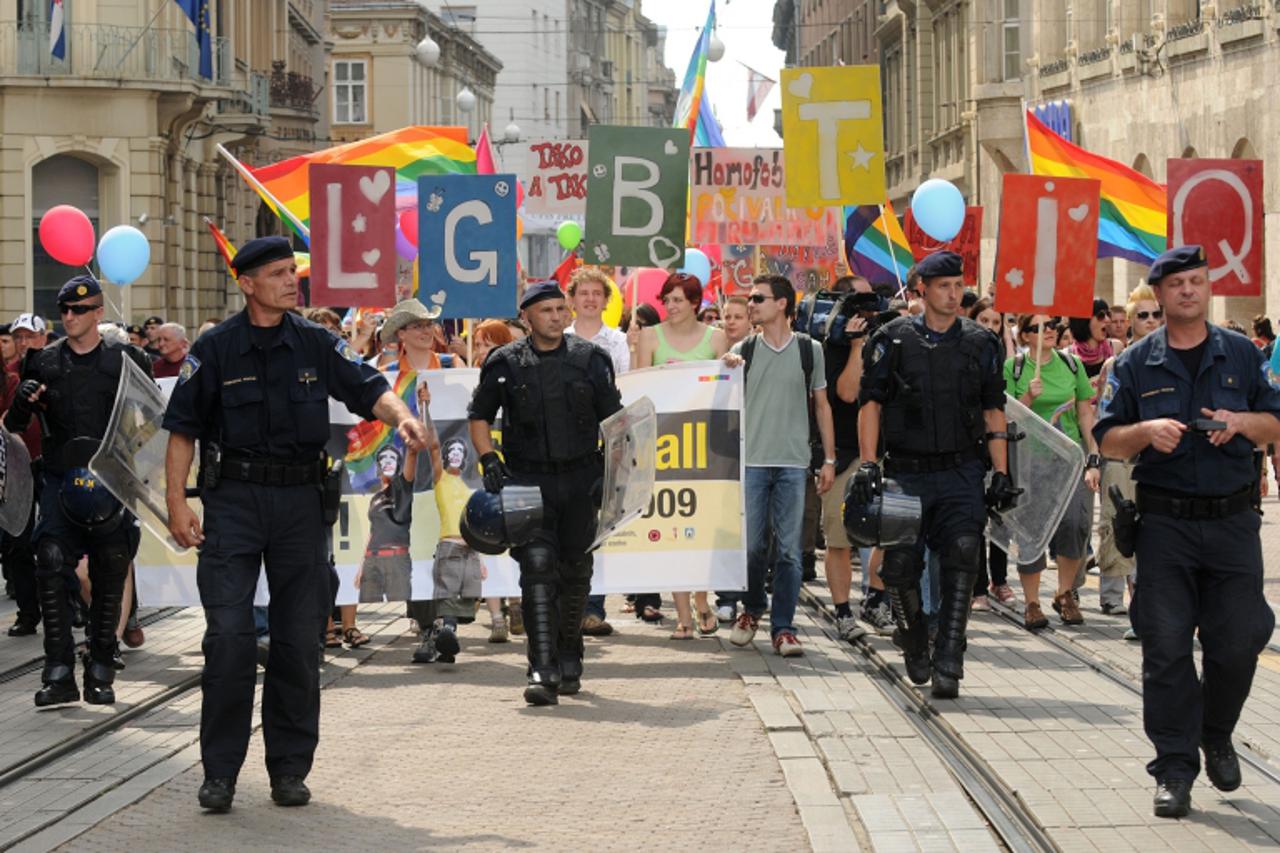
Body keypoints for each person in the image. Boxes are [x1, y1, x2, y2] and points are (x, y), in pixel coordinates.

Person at [162, 236, 429, 812]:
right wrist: (177, 504)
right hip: (232, 502)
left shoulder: (315, 342)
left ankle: (288, 769)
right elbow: (182, 429)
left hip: (299, 506)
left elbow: (370, 387)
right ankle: (221, 774)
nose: (292, 281)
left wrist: (404, 418)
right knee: (230, 639)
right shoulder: (215, 349)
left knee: (297, 640)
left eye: (293, 272)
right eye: (280, 273)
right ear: (247, 283)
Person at [1095, 245, 1280, 818]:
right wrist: (1146, 431)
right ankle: (1174, 770)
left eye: (1198, 281)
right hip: (1165, 526)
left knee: (1241, 638)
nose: (1188, 292)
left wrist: (1242, 424)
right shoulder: (1134, 363)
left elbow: (1274, 421)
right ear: (1159, 294)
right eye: (1177, 285)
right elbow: (1106, 439)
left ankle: (1215, 732)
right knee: (1167, 650)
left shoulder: (1243, 356)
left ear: (1207, 287)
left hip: (1231, 523)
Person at [851, 251, 1012, 698]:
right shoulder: (892, 339)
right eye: (944, 286)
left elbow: (993, 408)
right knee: (899, 566)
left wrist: (1000, 470)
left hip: (962, 470)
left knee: (963, 553)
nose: (954, 294)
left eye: (959, 285)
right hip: (906, 471)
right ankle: (914, 633)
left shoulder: (981, 343)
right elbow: (871, 403)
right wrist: (868, 463)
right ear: (922, 288)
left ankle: (950, 652)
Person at [467, 280, 622, 705]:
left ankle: (569, 653)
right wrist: (489, 459)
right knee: (536, 567)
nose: (556, 316)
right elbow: (479, 416)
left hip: (579, 479)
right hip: (524, 479)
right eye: (546, 310)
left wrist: (610, 475)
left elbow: (618, 424)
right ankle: (541, 667)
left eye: (560, 309)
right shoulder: (504, 362)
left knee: (574, 571)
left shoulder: (592, 360)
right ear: (527, 317)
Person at [4, 275, 153, 705]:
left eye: (79, 310)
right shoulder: (44, 362)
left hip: (110, 480)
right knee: (50, 561)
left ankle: (102, 664)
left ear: (98, 313)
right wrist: (23, 401)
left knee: (110, 567)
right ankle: (58, 670)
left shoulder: (127, 359)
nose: (70, 316)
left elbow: (154, 422)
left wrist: (128, 461)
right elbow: (14, 427)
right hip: (58, 479)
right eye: (64, 310)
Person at [722, 274, 836, 658]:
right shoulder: (744, 349)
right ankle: (752, 608)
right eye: (750, 298)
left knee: (789, 552)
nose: (751, 304)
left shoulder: (810, 350)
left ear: (783, 304)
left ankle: (783, 628)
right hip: (752, 463)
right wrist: (726, 368)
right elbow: (721, 400)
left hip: (792, 464)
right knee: (753, 548)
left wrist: (829, 460)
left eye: (758, 298)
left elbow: (822, 405)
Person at [636, 273, 728, 639]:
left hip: (704, 446)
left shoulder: (717, 338)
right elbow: (641, 384)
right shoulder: (649, 336)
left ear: (695, 303)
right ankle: (683, 617)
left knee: (701, 531)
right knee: (673, 530)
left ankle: (702, 602)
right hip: (664, 446)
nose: (671, 307)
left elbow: (726, 390)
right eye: (667, 300)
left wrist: (731, 365)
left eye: (677, 300)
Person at [1004, 313, 1099, 629]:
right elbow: (1006, 417)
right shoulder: (1013, 368)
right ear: (1025, 336)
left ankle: (1064, 593)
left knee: (1074, 525)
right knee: (1031, 531)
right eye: (1037, 328)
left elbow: (1085, 411)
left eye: (1053, 327)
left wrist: (1093, 452)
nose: (1048, 332)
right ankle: (1032, 603)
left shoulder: (1073, 365)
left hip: (1068, 460)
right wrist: (1028, 396)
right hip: (1029, 461)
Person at [565, 267, 630, 638]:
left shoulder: (618, 342)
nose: (590, 299)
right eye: (583, 293)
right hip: (566, 446)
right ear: (571, 299)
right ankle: (565, 603)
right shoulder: (559, 337)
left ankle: (592, 608)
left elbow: (625, 389)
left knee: (597, 530)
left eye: (596, 293)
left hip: (606, 446)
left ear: (606, 301)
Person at [1095, 287, 1163, 623]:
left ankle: (1144, 604)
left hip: (1158, 460)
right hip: (1122, 457)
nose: (1151, 321)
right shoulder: (1117, 363)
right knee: (1116, 521)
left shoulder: (1170, 359)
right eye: (1143, 315)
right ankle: (1111, 594)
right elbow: (1104, 419)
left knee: (1153, 530)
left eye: (1156, 314)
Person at [966, 297, 1014, 611]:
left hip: (999, 446)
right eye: (984, 320)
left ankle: (1000, 578)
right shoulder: (964, 351)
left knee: (1001, 516)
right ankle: (978, 585)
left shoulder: (1003, 357)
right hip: (970, 446)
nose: (990, 327)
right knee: (973, 519)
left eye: (996, 322)